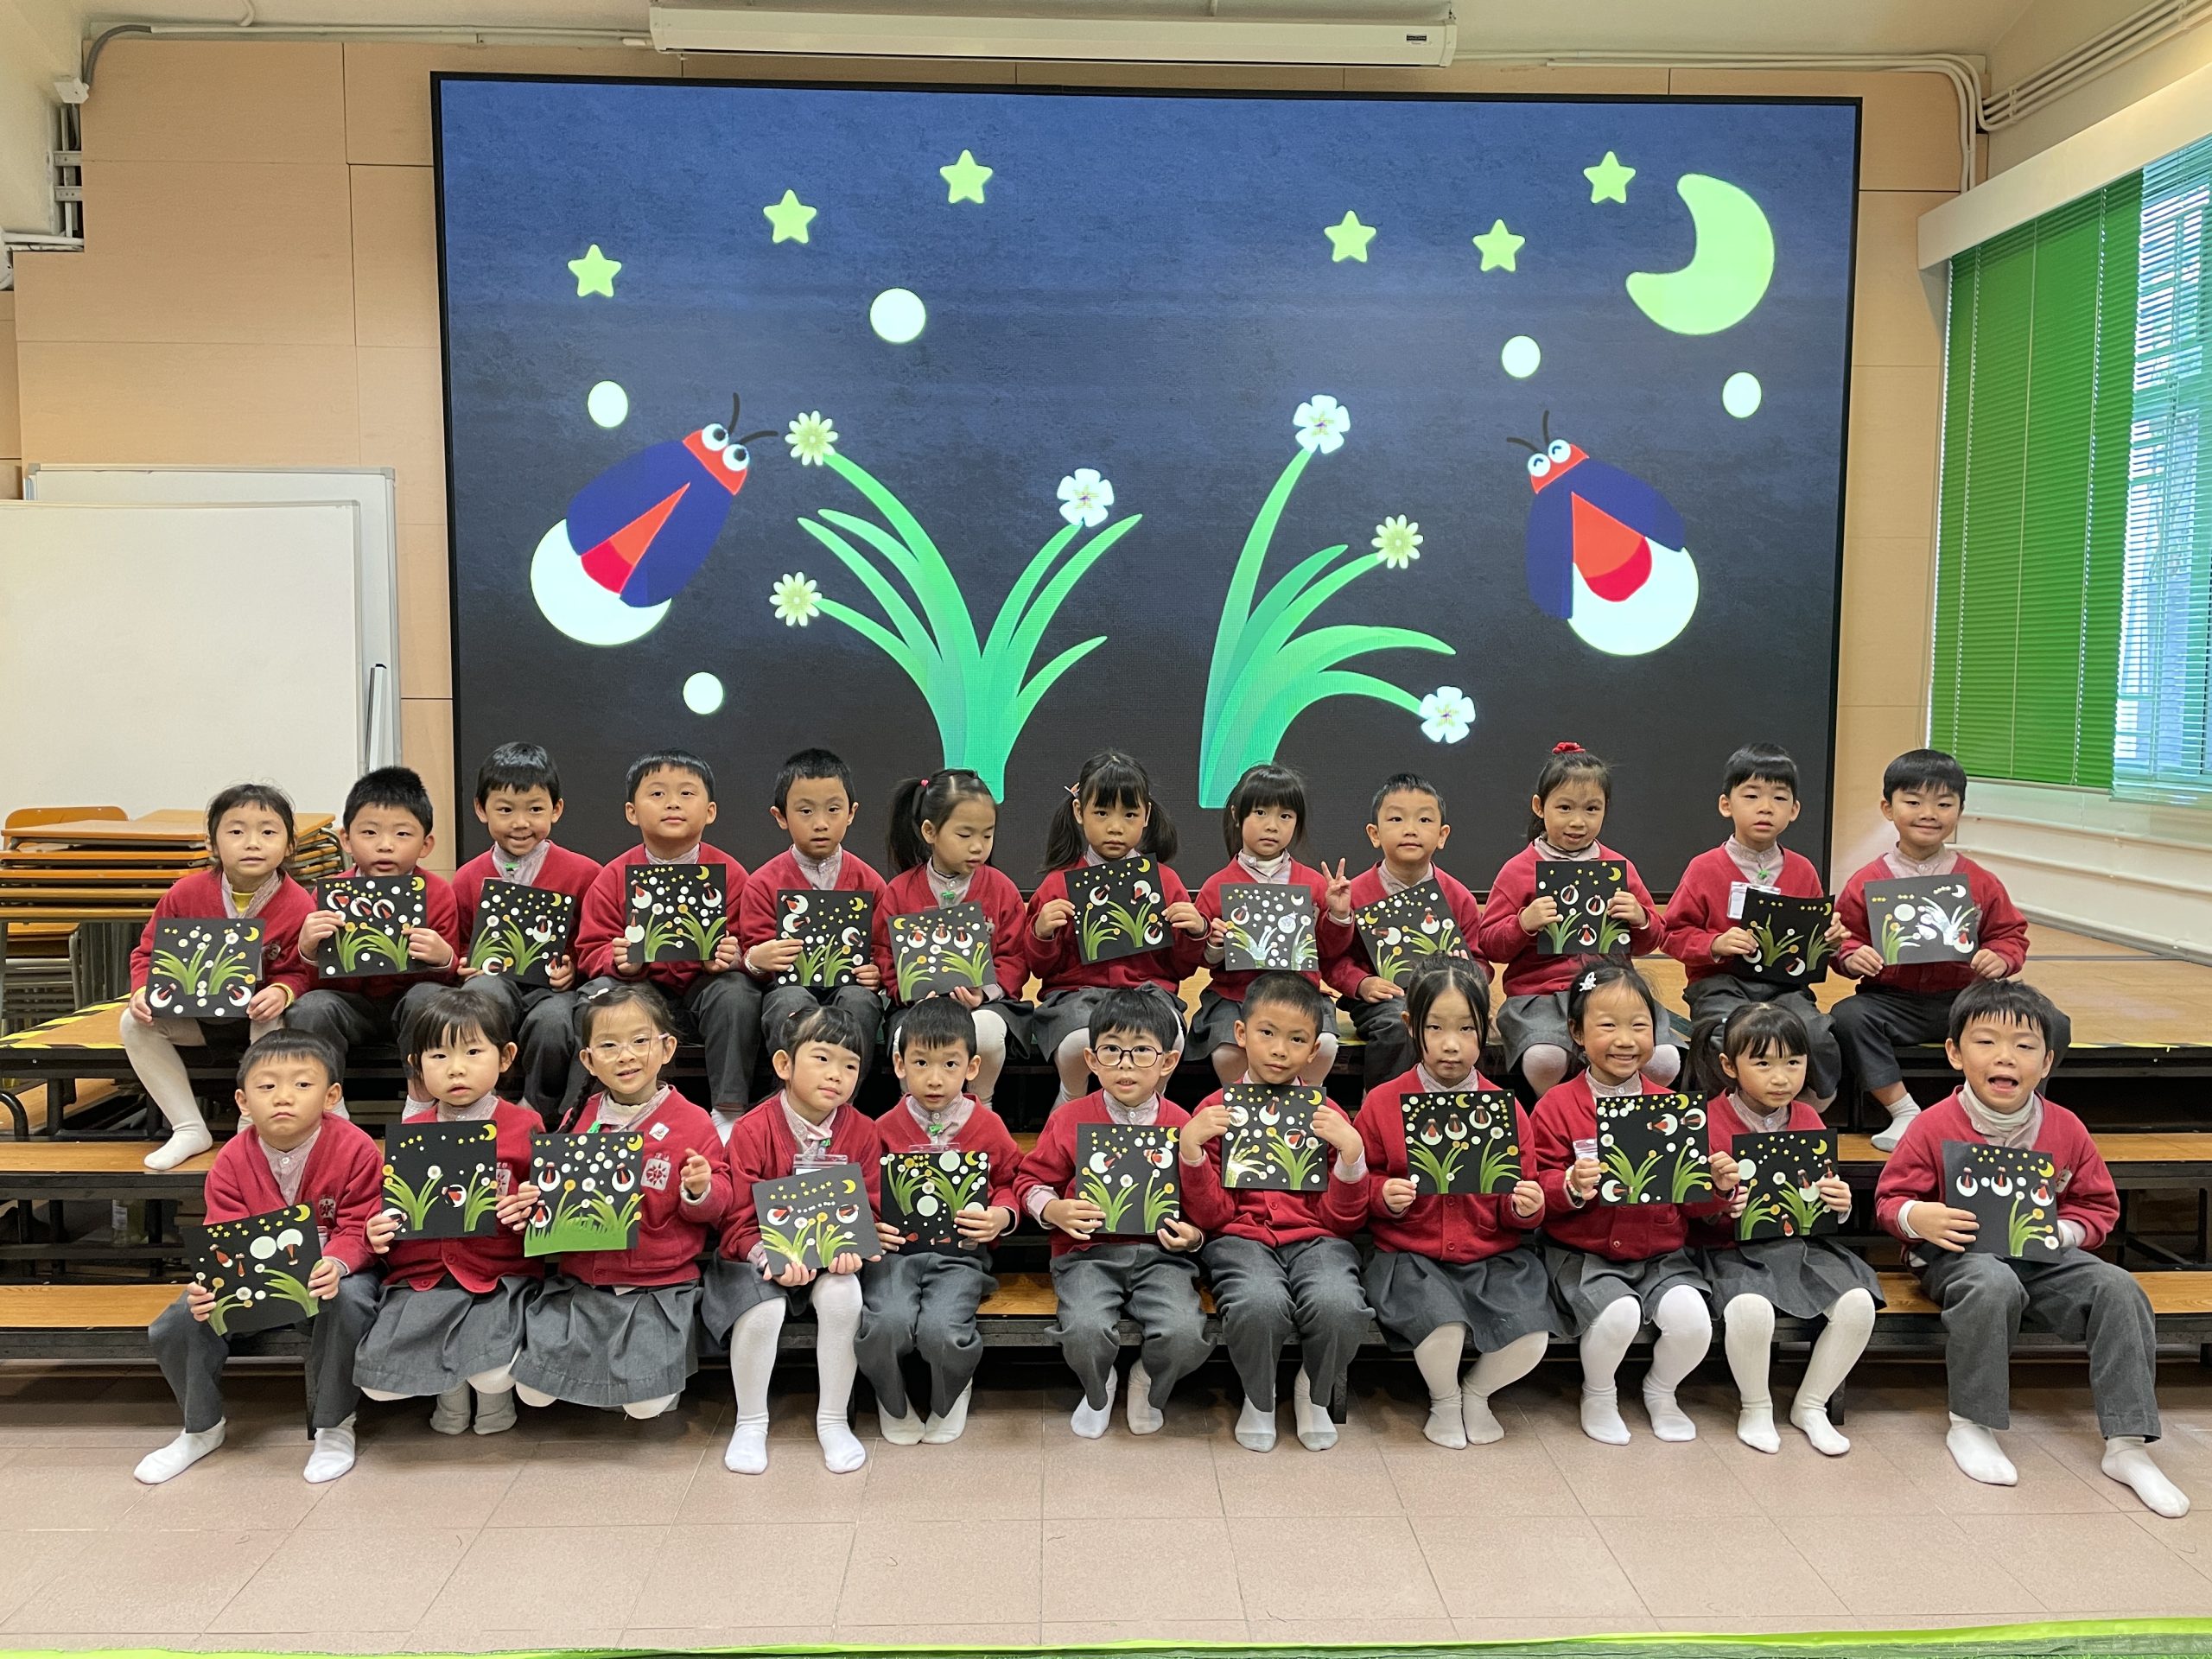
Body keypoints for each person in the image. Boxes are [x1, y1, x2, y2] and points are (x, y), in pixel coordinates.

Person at [1873, 979, 2187, 1516]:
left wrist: (2062, 1232)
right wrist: (1917, 1217)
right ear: (1955, 1053)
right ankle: (1972, 1423)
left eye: (2024, 1046)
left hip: (2043, 1257)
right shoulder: (1931, 1125)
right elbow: (1889, 1201)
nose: (2005, 1057)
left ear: (2046, 1063)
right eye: (1986, 1042)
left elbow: (2098, 1208)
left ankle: (2128, 1443)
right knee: (1991, 1282)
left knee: (2118, 1288)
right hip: (1959, 1257)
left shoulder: (2065, 1127)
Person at [136, 1031, 382, 1485]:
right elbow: (223, 1238)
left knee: (351, 1300)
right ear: (243, 1101)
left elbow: (358, 1227)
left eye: (302, 1085)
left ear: (331, 1096)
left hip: (330, 1277)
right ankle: (201, 1428)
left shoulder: (356, 1148)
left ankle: (335, 1425)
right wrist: (210, 1285)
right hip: (252, 1283)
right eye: (267, 1086)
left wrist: (337, 1264)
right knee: (182, 1319)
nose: (283, 1097)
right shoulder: (231, 1159)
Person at [1341, 961, 1554, 1449]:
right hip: (1410, 1256)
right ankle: (1444, 1399)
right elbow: (1360, 1183)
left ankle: (1476, 1393)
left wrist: (1525, 1207)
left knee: (1531, 1337)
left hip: (1493, 1256)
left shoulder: (1506, 1108)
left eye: (1466, 1029)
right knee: (1443, 1328)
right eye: (1435, 1028)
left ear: (1486, 1030)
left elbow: (1522, 1191)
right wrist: (1382, 1195)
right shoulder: (1383, 1102)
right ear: (1411, 1026)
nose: (1451, 1045)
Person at [1530, 960, 1738, 1445]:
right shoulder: (1557, 1105)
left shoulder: (1671, 1107)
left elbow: (1692, 1202)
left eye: (1639, 1025)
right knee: (1617, 1314)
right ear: (1577, 1034)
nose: (1625, 1040)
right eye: (1607, 1026)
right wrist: (1568, 1184)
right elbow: (1536, 1186)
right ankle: (1599, 1394)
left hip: (1661, 1254)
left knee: (1692, 1322)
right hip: (1584, 1254)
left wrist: (1717, 1185)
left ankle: (1661, 1391)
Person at [512, 982, 729, 1421]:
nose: (625, 1055)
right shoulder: (580, 1116)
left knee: (647, 1406)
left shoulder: (693, 1121)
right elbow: (554, 1196)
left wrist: (700, 1189)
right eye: (609, 1046)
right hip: (583, 1283)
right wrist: (535, 1199)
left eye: (639, 1041)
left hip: (657, 1286)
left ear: (667, 1048)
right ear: (589, 1060)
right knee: (531, 1392)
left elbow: (719, 1204)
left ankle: (646, 1380)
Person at [1834, 748, 2066, 1152]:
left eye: (1944, 804)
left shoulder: (1979, 880)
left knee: (2053, 1023)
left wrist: (2001, 957)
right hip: (1892, 1002)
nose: (1929, 814)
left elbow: (2010, 934)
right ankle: (1904, 1112)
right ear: (1888, 809)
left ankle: (2011, 1111)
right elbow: (1843, 938)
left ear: (1960, 810)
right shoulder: (1867, 880)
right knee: (1847, 1017)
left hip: (1967, 1001)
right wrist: (1852, 956)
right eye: (1913, 802)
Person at [1178, 971, 1370, 1452]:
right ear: (1241, 1034)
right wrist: (1193, 1153)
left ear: (1315, 1050)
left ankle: (1314, 1391)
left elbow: (1343, 1222)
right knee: (1259, 1303)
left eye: (1297, 1039)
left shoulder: (1327, 1115)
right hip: (1240, 1239)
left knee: (1340, 1304)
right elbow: (1211, 1217)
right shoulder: (1215, 1110)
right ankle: (1258, 1397)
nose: (1280, 1050)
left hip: (1317, 1240)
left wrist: (1351, 1157)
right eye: (1267, 1033)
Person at [1014, 987, 1212, 1437]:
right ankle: (1097, 1383)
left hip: (1161, 1258)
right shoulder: (1069, 1118)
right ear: (1091, 1059)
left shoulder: (1182, 1123)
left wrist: (1195, 1236)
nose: (1125, 1065)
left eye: (1142, 1052)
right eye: (1112, 1051)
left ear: (1168, 1062)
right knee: (1084, 1329)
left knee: (1184, 1333)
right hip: (1086, 1255)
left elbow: (1203, 1203)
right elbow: (1029, 1181)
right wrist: (1054, 1209)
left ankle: (1147, 1379)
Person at [1688, 1003, 1879, 1455]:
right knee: (1750, 1308)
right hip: (1728, 1251)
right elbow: (1688, 1207)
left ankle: (1811, 1405)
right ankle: (1755, 1406)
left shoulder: (1809, 1119)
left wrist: (1839, 1201)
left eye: (1794, 1063)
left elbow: (1821, 1194)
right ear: (1729, 1066)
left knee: (1858, 1304)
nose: (1781, 1077)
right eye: (1763, 1064)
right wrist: (1718, 1198)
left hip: (1798, 1248)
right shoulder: (1706, 1121)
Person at [355, 988, 543, 1435]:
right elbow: (388, 1205)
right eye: (438, 1056)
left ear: (505, 1057)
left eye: (473, 1052)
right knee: (380, 1384)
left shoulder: (525, 1125)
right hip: (424, 1280)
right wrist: (375, 1229)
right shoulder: (412, 1131)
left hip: (498, 1277)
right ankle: (450, 1391)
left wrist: (531, 1210)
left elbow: (547, 1211)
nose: (456, 1068)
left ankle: (494, 1401)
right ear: (417, 1066)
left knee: (492, 1372)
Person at [705, 1005, 883, 1476]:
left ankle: (833, 1420)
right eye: (822, 1058)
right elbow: (736, 1219)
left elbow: (869, 1207)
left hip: (828, 1259)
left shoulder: (863, 1131)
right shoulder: (751, 1129)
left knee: (845, 1296)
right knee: (764, 1310)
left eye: (850, 1065)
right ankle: (751, 1421)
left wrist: (852, 1248)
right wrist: (770, 1255)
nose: (836, 1075)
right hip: (755, 1258)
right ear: (784, 1064)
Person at [856, 995, 1023, 1446]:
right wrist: (871, 1226)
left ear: (971, 1068)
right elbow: (864, 1190)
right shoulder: (881, 1128)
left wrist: (1001, 1215)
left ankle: (951, 1393)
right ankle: (891, 1398)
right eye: (921, 1063)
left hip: (960, 1257)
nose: (934, 1078)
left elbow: (1011, 1181)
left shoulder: (987, 1126)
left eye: (950, 1064)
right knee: (885, 1324)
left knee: (943, 1330)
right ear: (899, 1065)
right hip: (894, 1257)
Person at [124, 782, 317, 1170]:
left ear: (289, 846)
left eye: (268, 832)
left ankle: (253, 1127)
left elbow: (303, 969)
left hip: (259, 1021)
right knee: (133, 1023)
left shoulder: (299, 903)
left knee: (278, 1016)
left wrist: (283, 990)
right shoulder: (184, 894)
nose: (252, 843)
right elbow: (147, 953)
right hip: (196, 1019)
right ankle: (188, 1127)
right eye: (236, 831)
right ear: (212, 843)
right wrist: (143, 991)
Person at [573, 751, 753, 1131]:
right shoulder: (613, 876)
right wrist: (618, 960)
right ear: (631, 812)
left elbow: (751, 944)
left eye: (686, 793)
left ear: (711, 811)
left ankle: (728, 1112)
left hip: (704, 992)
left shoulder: (733, 874)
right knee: (596, 995)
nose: (672, 803)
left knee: (737, 992)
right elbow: (589, 949)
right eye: (657, 794)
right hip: (639, 990)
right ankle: (589, 1111)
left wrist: (730, 956)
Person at [1480, 742, 1673, 1095]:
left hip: (1613, 992)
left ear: (1605, 810)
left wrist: (1641, 918)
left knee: (1664, 1060)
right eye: (1565, 807)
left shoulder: (1619, 867)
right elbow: (1491, 944)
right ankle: (1558, 1113)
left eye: (1591, 809)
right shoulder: (1518, 870)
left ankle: (1626, 1111)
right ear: (1540, 807)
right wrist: (1523, 923)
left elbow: (1653, 939)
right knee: (1545, 1058)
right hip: (1540, 996)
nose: (1577, 822)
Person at [1662, 742, 1846, 1109]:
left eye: (1779, 798)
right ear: (1726, 805)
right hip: (1719, 986)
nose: (1765, 807)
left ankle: (1809, 1108)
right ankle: (1732, 1110)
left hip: (1786, 988)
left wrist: (1830, 940)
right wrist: (1714, 944)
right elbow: (1670, 935)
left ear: (1794, 810)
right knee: (1726, 1035)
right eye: (1751, 796)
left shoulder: (1803, 870)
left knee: (1816, 1034)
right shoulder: (1704, 868)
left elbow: (1815, 943)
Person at [1025, 750, 1207, 1104]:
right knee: (1079, 1041)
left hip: (1148, 995)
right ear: (1079, 812)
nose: (1115, 827)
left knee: (1166, 1037)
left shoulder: (1165, 881)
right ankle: (1071, 1100)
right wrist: (1042, 933)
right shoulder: (1058, 884)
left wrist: (1194, 932)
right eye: (1101, 813)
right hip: (1074, 997)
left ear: (1146, 816)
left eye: (1129, 814)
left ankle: (1151, 1108)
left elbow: (1181, 968)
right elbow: (1040, 968)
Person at [287, 766, 464, 1095]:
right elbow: (312, 982)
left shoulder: (438, 892)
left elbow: (449, 980)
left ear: (426, 844)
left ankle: (421, 1099)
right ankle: (324, 1103)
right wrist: (309, 951)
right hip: (350, 1005)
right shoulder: (328, 895)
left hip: (410, 1004)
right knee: (311, 1008)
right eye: (369, 833)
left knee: (428, 999)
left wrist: (444, 959)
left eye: (402, 834)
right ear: (346, 839)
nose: (385, 846)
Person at [450, 742, 602, 1122]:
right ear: (481, 809)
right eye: (505, 810)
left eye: (535, 810)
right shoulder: (468, 878)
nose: (520, 823)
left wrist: (574, 968)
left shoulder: (585, 873)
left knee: (553, 1022)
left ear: (556, 809)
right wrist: (464, 964)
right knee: (479, 994)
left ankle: (538, 1113)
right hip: (494, 983)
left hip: (553, 992)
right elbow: (459, 942)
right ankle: (478, 1104)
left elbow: (592, 941)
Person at [1189, 764, 1355, 1088]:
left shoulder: (1313, 884)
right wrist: (1214, 944)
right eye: (1260, 812)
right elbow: (1200, 959)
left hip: (1299, 995)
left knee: (1325, 1045)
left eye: (1285, 816)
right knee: (1227, 1052)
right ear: (1237, 816)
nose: (1272, 825)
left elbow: (1328, 951)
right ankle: (1240, 1110)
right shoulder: (1216, 886)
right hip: (1235, 996)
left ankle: (1305, 1105)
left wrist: (1338, 915)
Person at [874, 769, 1033, 1105]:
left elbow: (1015, 957)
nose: (978, 846)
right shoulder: (898, 892)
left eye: (987, 835)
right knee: (910, 1037)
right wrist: (912, 993)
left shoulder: (1002, 889)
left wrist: (983, 993)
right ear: (929, 832)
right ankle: (915, 1110)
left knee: (986, 1033)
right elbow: (885, 956)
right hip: (918, 1007)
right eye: (964, 834)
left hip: (987, 1005)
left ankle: (983, 1104)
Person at [1320, 772, 1484, 1095]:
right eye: (1396, 819)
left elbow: (1481, 960)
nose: (1410, 829)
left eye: (1424, 820)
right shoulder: (1355, 894)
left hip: (1446, 998)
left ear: (1442, 835)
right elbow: (1334, 960)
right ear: (1374, 834)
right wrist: (1362, 983)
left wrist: (1469, 971)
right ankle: (1384, 1103)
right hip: (1381, 1002)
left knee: (1462, 1021)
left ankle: (1454, 1098)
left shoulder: (1458, 896)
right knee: (1398, 1022)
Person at [734, 747, 892, 1078]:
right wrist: (758, 959)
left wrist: (877, 973)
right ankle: (793, 1096)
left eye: (833, 810)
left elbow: (882, 948)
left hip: (850, 986)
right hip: (787, 988)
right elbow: (754, 951)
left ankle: (845, 1100)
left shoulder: (871, 882)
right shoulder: (762, 883)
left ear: (851, 813)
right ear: (781, 816)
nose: (821, 823)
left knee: (860, 1002)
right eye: (805, 811)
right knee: (789, 1002)